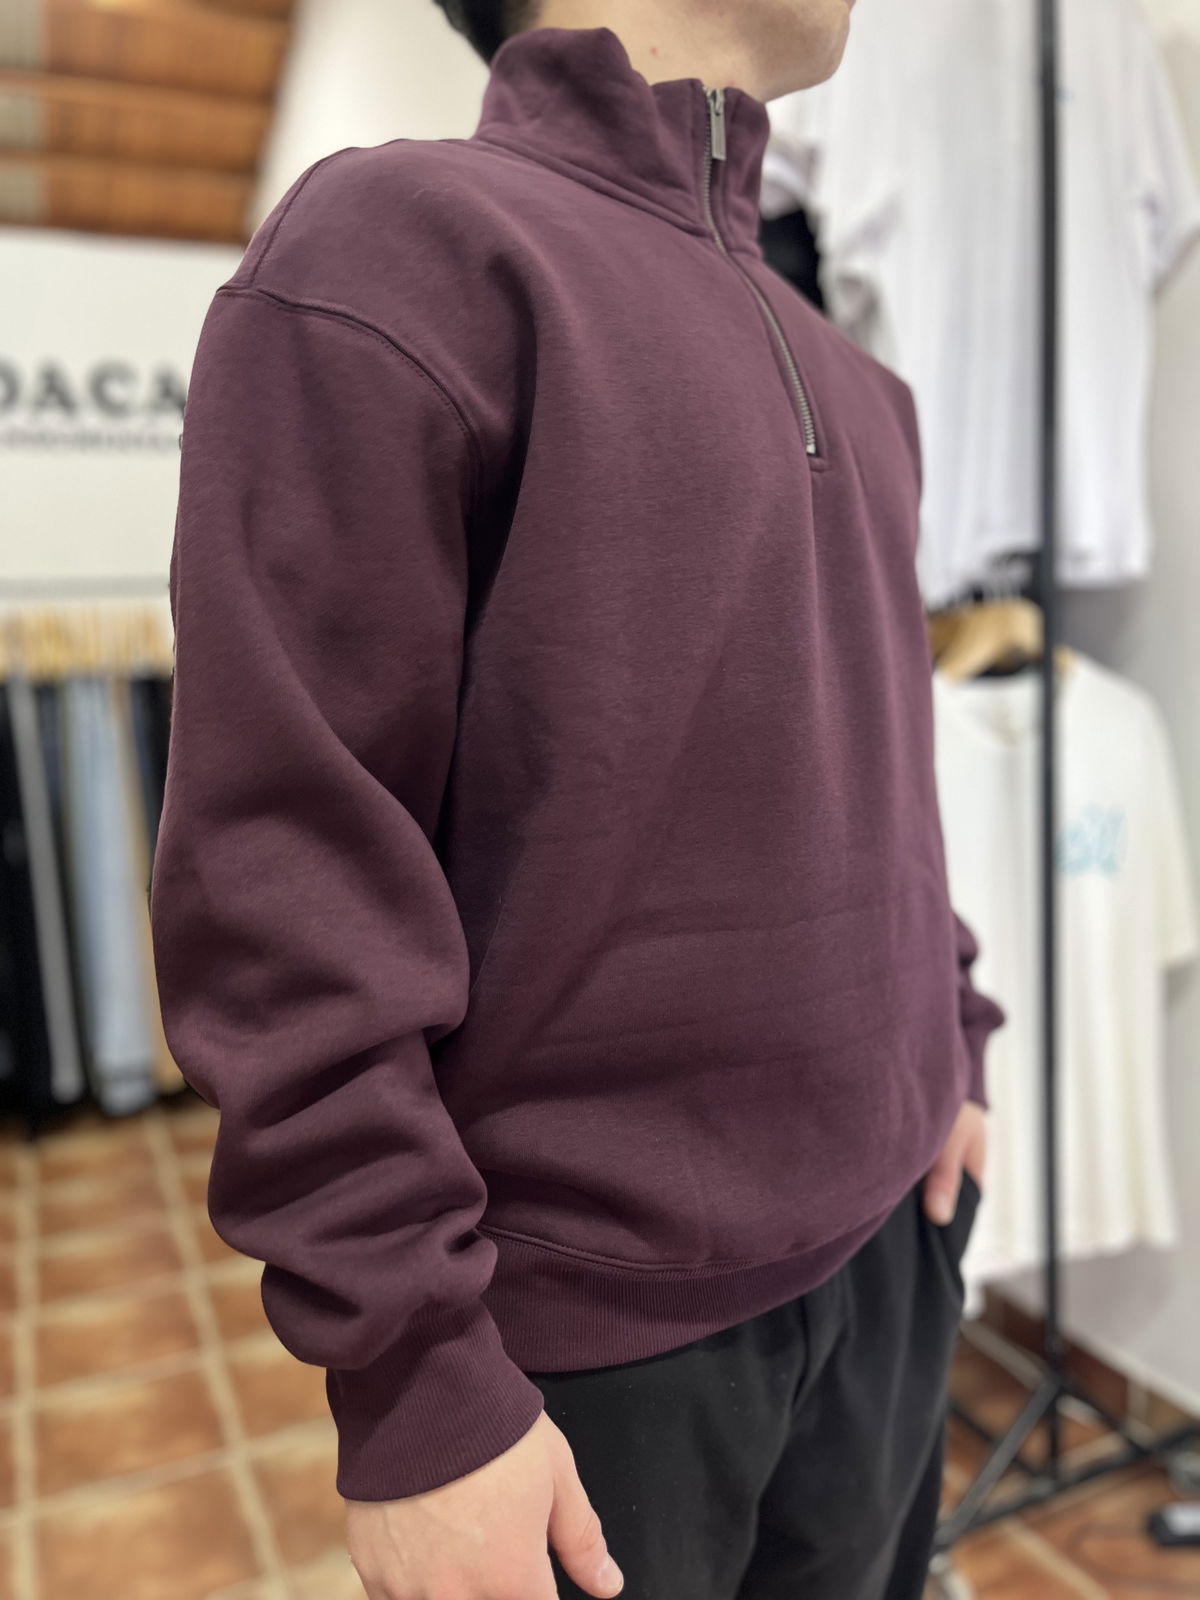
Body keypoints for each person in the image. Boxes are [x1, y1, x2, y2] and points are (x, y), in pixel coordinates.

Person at [149, 0, 1005, 1596]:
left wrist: (951, 1026)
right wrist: (414, 1378)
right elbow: (282, 875)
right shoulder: (402, 252)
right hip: (592, 1349)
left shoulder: (856, 379)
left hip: (891, 1259)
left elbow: (882, 761)